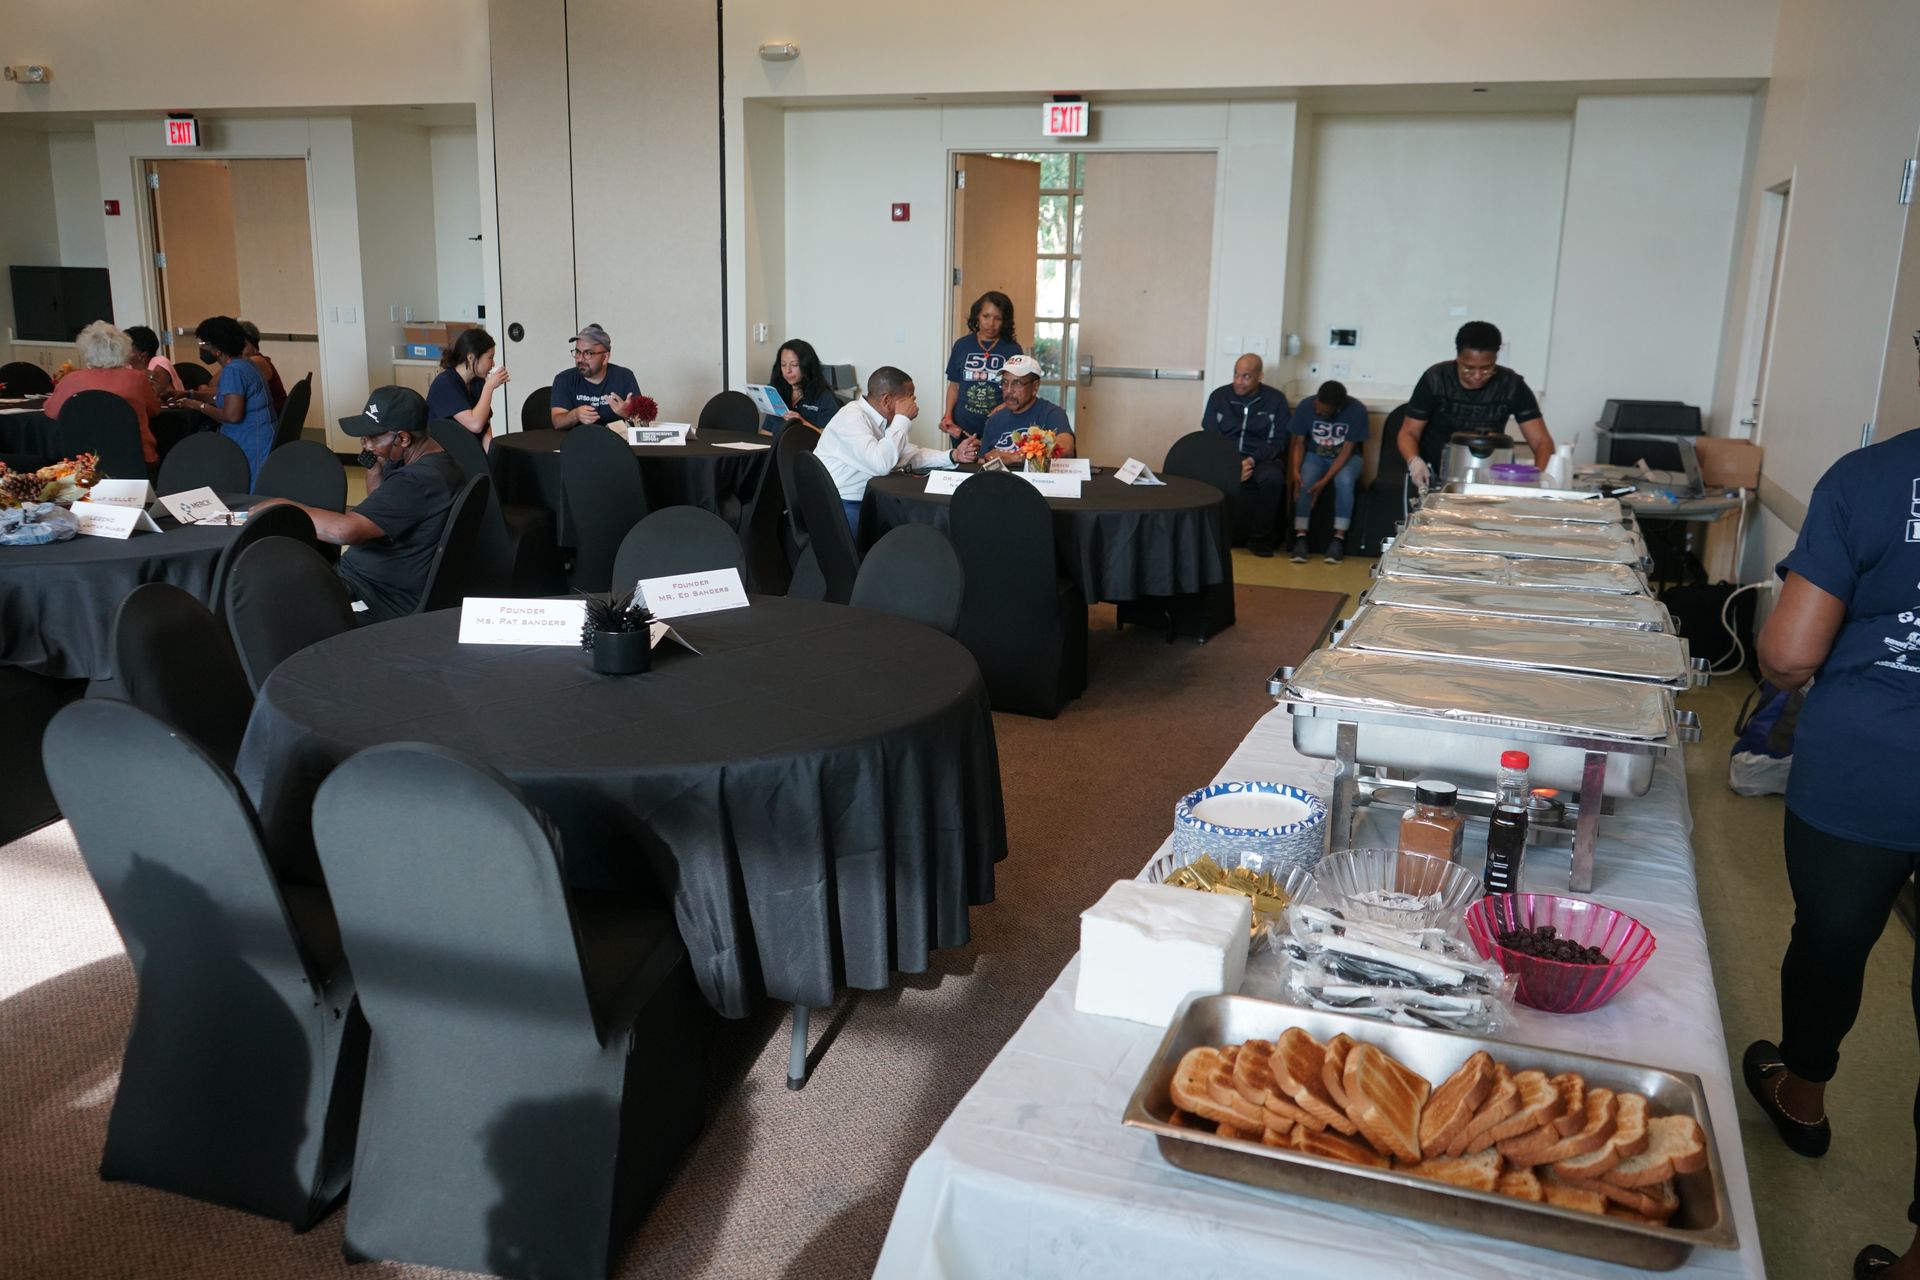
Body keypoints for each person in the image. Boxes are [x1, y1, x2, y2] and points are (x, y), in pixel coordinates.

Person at [1747, 328, 1920, 1280]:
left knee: (1832, 940)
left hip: (1869, 765)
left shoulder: (1869, 479)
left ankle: (1802, 1097)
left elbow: (1788, 653)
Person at [250, 385, 466, 623]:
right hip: (367, 580)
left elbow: (345, 531)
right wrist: (375, 471)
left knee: (267, 603)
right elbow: (382, 509)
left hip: (374, 595)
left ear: (403, 438)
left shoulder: (418, 480)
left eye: (374, 437)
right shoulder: (423, 459)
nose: (366, 444)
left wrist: (284, 506)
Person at [815, 366, 977, 534]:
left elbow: (907, 455)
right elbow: (881, 464)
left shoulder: (880, 419)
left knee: (913, 530)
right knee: (904, 533)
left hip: (863, 500)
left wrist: (953, 455)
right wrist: (902, 419)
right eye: (910, 398)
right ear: (887, 400)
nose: (914, 404)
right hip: (838, 505)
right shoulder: (852, 418)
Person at [1397, 320, 1554, 491]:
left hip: (1492, 478)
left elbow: (1541, 441)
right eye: (1468, 368)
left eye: (1487, 369)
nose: (1478, 376)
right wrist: (1414, 461)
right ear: (1458, 358)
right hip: (1435, 475)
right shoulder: (1436, 379)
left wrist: (1537, 478)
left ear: (1496, 358)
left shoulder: (1511, 385)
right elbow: (1409, 432)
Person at [1201, 353, 1291, 555]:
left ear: (1260, 376)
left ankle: (1260, 539)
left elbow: (1277, 442)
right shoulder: (1219, 396)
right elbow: (1210, 434)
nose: (1239, 381)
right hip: (1225, 455)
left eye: (1246, 376)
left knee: (1273, 478)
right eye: (1236, 374)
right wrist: (1232, 464)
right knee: (1202, 471)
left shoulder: (1275, 400)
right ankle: (1212, 535)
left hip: (1260, 458)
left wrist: (1250, 460)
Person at [44, 321, 166, 467]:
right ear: (124, 350)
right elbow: (155, 409)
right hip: (135, 458)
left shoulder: (71, 379)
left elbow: (51, 411)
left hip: (82, 463)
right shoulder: (136, 378)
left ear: (85, 351)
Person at [180, 315, 276, 487]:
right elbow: (226, 397)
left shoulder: (234, 371)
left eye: (203, 344)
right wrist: (189, 394)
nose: (201, 349)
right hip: (260, 436)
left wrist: (197, 406)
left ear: (217, 348)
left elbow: (232, 416)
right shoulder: (246, 364)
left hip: (250, 442)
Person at [1287, 380, 1370, 564]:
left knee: (1345, 480)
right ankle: (1300, 538)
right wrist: (1295, 472)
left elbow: (1347, 450)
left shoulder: (1356, 410)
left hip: (1347, 458)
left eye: (1323, 412)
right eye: (1317, 407)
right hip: (1314, 455)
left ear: (1337, 408)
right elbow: (1299, 443)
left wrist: (1323, 482)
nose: (1317, 412)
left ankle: (1338, 540)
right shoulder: (1305, 406)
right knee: (1305, 479)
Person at [939, 291, 1023, 444]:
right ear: (977, 316)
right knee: (964, 466)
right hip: (963, 427)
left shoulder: (1013, 350)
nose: (991, 324)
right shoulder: (962, 345)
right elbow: (955, 386)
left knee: (994, 467)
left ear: (1005, 321)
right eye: (986, 316)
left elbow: (1019, 389)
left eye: (997, 318)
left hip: (999, 426)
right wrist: (948, 415)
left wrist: (1004, 406)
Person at [426, 327, 510, 450]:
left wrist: (490, 458)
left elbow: (485, 426)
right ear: (471, 357)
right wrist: (489, 386)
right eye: (490, 357)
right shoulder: (445, 384)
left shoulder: (477, 381)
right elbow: (475, 424)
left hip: (467, 449)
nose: (493, 363)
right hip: (444, 454)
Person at [980, 354, 1074, 463]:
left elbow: (1066, 448)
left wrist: (1017, 457)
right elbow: (982, 460)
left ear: (1035, 386)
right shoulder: (995, 419)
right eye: (1005, 383)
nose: (1009, 390)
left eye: (1017, 383)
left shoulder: (1052, 413)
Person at [549, 324, 642, 428]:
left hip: (615, 441)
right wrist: (575, 415)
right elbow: (557, 422)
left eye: (588, 353)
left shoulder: (625, 377)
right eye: (578, 352)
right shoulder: (564, 379)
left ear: (605, 357)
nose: (580, 359)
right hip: (577, 441)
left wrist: (627, 413)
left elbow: (643, 422)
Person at [765, 338, 838, 436]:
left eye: (794, 365)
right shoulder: (777, 393)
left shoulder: (824, 397)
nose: (788, 370)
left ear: (807, 365)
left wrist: (802, 422)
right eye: (783, 365)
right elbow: (766, 432)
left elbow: (831, 438)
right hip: (777, 449)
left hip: (805, 449)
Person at [237, 319, 289, 416]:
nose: (238, 350)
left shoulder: (256, 361)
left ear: (254, 346)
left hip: (270, 421)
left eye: (242, 345)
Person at [123, 325, 183, 395]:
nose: (121, 351)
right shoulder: (127, 367)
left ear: (142, 355)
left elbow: (151, 395)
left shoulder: (160, 362)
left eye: (126, 347)